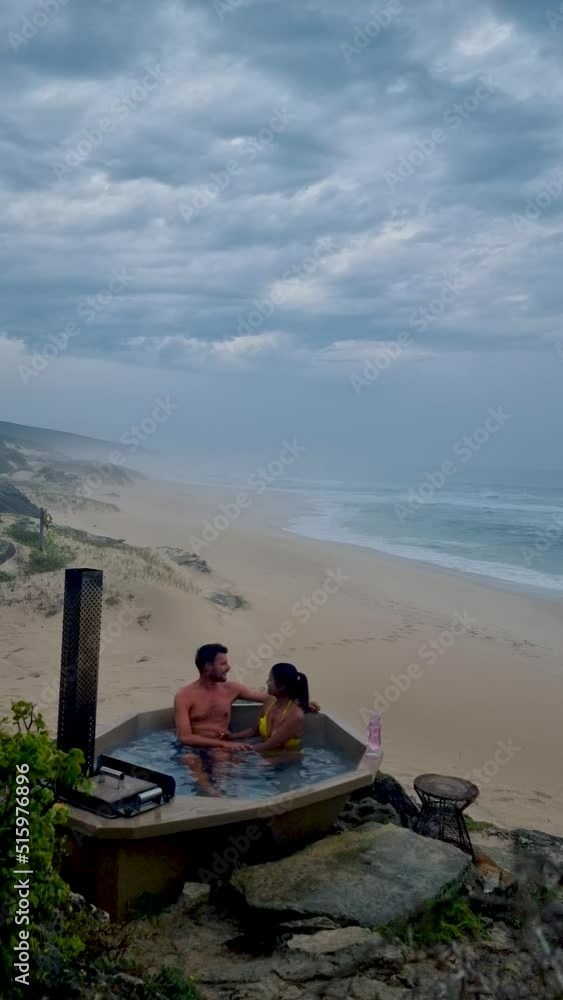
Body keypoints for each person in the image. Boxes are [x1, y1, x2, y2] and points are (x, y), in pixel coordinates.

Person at [225, 662, 309, 753]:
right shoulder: (269, 703)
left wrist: (236, 749)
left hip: (288, 759)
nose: (267, 682)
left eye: (270, 680)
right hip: (267, 755)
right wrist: (232, 737)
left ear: (281, 686)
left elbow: (269, 745)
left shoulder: (295, 715)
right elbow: (255, 731)